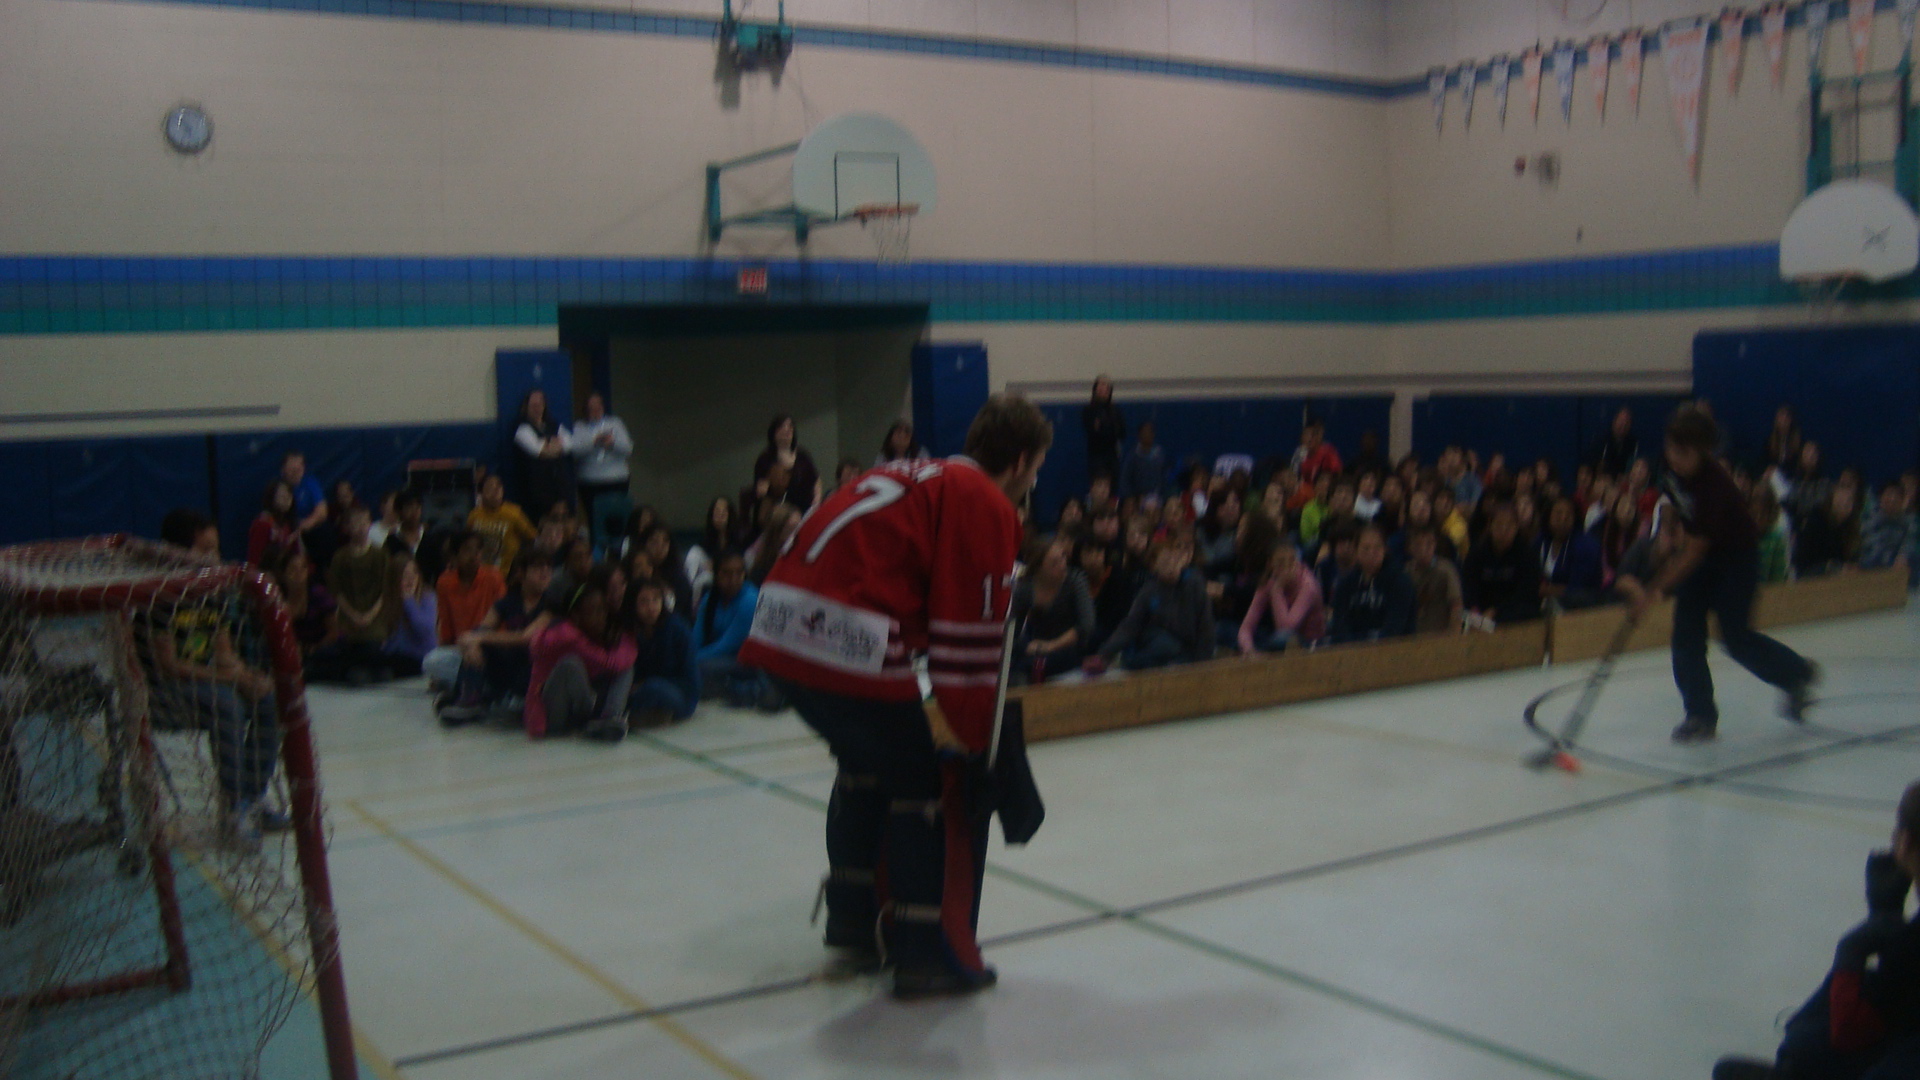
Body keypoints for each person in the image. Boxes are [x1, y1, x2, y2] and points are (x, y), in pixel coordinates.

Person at [739, 393, 1051, 999]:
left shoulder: (907, 472)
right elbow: (965, 652)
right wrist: (983, 753)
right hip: (845, 635)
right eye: (1035, 469)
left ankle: (854, 920)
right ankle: (923, 952)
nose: (1032, 483)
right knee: (920, 786)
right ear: (1017, 462)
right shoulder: (984, 499)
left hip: (776, 622)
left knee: (866, 764)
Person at [1631, 406, 1819, 744]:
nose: (1673, 457)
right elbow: (1673, 501)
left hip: (1736, 559)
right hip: (1703, 556)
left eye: (1683, 452)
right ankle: (1700, 714)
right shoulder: (1670, 467)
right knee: (1686, 634)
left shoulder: (1714, 488)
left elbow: (1695, 552)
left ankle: (1797, 673)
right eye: (1670, 448)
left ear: (1702, 451)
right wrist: (1668, 531)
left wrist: (1654, 589)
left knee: (1735, 638)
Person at [1711, 780, 1920, 1080]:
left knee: (1805, 1042)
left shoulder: (1912, 943)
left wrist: (1851, 952)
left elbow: (1849, 1032)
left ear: (1905, 843)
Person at [148, 510, 287, 840]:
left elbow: (224, 655)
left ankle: (252, 796)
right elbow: (168, 665)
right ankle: (233, 807)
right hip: (161, 691)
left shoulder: (215, 591)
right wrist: (229, 680)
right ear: (177, 552)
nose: (214, 558)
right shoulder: (159, 594)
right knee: (228, 705)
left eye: (216, 549)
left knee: (268, 699)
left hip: (205, 680)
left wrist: (247, 676)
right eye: (205, 550)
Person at [438, 550, 555, 725]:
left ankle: (476, 694)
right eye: (538, 567)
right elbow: (479, 630)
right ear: (521, 573)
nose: (545, 572)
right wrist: (472, 643)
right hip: (510, 665)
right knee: (472, 645)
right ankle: (470, 698)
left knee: (478, 641)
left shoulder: (552, 604)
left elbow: (526, 637)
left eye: (548, 567)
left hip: (536, 668)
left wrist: (478, 639)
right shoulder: (508, 601)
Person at [525, 567, 636, 741]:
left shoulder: (582, 632)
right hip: (550, 717)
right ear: (576, 616)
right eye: (594, 611)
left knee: (626, 668)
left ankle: (610, 718)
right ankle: (602, 719)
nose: (601, 617)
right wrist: (629, 643)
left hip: (573, 706)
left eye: (602, 610)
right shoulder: (568, 636)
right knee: (571, 664)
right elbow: (610, 663)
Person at [1090, 540, 1215, 671]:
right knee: (1167, 644)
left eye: (1176, 560)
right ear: (1154, 566)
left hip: (1187, 649)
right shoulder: (1149, 591)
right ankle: (1130, 663)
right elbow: (1131, 625)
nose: (1172, 566)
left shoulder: (1195, 584)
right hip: (1158, 644)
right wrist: (1105, 652)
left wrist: (1203, 662)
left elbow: (1206, 624)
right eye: (1166, 562)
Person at [320, 504, 398, 684]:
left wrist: (370, 615)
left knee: (372, 650)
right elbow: (337, 591)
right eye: (355, 523)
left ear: (370, 524)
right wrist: (353, 615)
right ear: (346, 528)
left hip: (375, 618)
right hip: (349, 619)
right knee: (351, 658)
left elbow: (385, 589)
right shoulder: (340, 557)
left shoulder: (380, 554)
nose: (360, 527)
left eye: (364, 523)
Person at [424, 531, 507, 692]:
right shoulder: (444, 582)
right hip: (461, 648)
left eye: (478, 550)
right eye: (467, 550)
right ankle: (478, 681)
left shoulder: (494, 577)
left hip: (492, 646)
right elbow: (446, 626)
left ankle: (469, 682)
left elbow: (503, 623)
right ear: (454, 557)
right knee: (430, 662)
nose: (474, 555)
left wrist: (480, 643)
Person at [692, 551, 773, 710]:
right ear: (716, 574)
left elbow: (727, 645)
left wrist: (689, 661)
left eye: (739, 573)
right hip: (724, 659)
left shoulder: (750, 600)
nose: (733, 579)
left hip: (749, 662)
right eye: (727, 573)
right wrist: (686, 656)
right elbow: (696, 636)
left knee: (700, 669)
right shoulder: (710, 598)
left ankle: (742, 690)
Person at [1011, 536, 1095, 684]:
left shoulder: (1074, 580)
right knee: (1012, 663)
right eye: (1054, 563)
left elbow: (1086, 625)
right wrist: (1026, 646)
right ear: (1039, 568)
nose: (1063, 565)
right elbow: (1013, 630)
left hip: (1069, 648)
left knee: (1032, 666)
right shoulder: (1025, 588)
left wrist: (1051, 646)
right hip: (1037, 647)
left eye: (1063, 558)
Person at [625, 578, 699, 727]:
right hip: (642, 688)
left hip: (679, 694)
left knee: (653, 687)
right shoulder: (632, 631)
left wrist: (644, 684)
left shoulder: (677, 629)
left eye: (656, 600)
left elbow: (690, 681)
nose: (651, 607)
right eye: (644, 602)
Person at [1328, 526, 1416, 644]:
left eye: (1377, 548)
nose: (1371, 554)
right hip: (1352, 651)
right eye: (1365, 548)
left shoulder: (1400, 581)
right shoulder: (1345, 584)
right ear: (1356, 550)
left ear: (1385, 549)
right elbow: (1339, 625)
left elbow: (1396, 628)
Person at [1461, 504, 1543, 626]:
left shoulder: (1527, 554)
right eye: (1499, 524)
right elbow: (1469, 585)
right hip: (1481, 612)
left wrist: (1496, 610)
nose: (1504, 530)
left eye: (1509, 525)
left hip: (1514, 612)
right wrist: (1474, 608)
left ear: (1516, 527)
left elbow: (1527, 592)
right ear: (1490, 526)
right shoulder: (1477, 553)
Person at [1238, 543, 1324, 654]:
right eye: (1281, 563)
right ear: (1270, 565)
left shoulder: (1308, 586)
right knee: (1225, 630)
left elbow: (1286, 627)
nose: (1287, 567)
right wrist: (1249, 650)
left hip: (1311, 642)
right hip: (1279, 637)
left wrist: (1277, 590)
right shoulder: (1268, 584)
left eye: (1292, 561)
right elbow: (1246, 627)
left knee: (1281, 639)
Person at [570, 392, 633, 527]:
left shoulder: (615, 423)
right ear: (585, 410)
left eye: (598, 407)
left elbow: (628, 449)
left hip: (616, 479)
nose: (595, 411)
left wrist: (612, 443)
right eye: (591, 408)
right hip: (590, 482)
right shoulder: (579, 427)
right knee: (595, 521)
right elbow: (574, 451)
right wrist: (594, 442)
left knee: (617, 520)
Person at [513, 389, 573, 521]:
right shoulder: (521, 428)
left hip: (559, 486)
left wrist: (548, 447)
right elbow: (537, 451)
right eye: (533, 405)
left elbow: (569, 444)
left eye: (540, 404)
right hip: (536, 490)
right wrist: (553, 446)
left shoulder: (554, 425)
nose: (537, 408)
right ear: (526, 407)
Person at [1538, 497, 1606, 610]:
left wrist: (1547, 590)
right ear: (1548, 516)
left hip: (1583, 606)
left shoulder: (1586, 546)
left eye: (1568, 515)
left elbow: (1578, 590)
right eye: (1558, 514)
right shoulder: (1542, 540)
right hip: (1550, 603)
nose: (1564, 518)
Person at [755, 414, 822, 512]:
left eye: (790, 426)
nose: (787, 429)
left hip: (806, 507)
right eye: (782, 426)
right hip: (780, 511)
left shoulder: (802, 455)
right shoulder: (765, 459)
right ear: (774, 433)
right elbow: (760, 491)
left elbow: (815, 480)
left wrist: (817, 499)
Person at [382, 556, 436, 676]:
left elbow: (425, 630)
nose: (411, 579)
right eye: (405, 575)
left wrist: (409, 602)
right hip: (396, 656)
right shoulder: (389, 599)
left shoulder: (428, 598)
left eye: (414, 573)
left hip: (421, 657)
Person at [1796, 485, 1864, 578]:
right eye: (1840, 501)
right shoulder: (1816, 522)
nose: (1844, 504)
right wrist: (1835, 568)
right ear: (1831, 501)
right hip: (1811, 572)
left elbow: (1852, 557)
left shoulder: (1852, 526)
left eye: (1848, 501)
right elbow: (1806, 560)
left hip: (1840, 571)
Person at [686, 497, 736, 607]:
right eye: (717, 511)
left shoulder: (737, 540)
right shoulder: (703, 543)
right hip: (707, 577)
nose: (720, 515)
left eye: (724, 511)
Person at [280, 451, 330, 553]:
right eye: (291, 470)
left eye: (298, 470)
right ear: (283, 470)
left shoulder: (310, 483)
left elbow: (322, 511)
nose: (295, 473)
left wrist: (303, 526)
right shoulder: (279, 488)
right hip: (286, 531)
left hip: (309, 530)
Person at [247, 480, 304, 567]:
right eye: (282, 496)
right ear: (272, 498)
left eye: (289, 495)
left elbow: (298, 555)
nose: (287, 499)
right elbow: (254, 560)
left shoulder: (290, 523)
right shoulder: (263, 524)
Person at [1860, 482, 1914, 572]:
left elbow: (1910, 544)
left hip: (1895, 574)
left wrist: (1903, 557)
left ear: (1903, 501)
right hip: (1865, 572)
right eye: (1889, 495)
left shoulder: (1909, 523)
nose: (1892, 499)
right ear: (1880, 498)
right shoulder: (1868, 521)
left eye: (1897, 497)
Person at [1083, 375, 1126, 484]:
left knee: (1114, 485)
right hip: (1097, 457)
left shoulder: (1115, 411)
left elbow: (1121, 432)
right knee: (1099, 484)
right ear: (1095, 389)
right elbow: (1094, 431)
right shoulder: (1089, 410)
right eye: (1101, 386)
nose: (1104, 389)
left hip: (1112, 456)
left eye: (1107, 387)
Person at [1751, 485, 1792, 585]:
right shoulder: (1741, 536)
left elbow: (1778, 581)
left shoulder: (1776, 538)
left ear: (1771, 514)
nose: (1758, 520)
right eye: (1755, 515)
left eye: (1763, 515)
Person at [1120, 420, 1167, 502]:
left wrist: (1161, 495)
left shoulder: (1160, 454)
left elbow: (1164, 477)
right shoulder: (1132, 455)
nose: (1147, 435)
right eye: (1144, 432)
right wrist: (1131, 497)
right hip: (1137, 498)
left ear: (1153, 434)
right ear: (1139, 435)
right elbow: (1125, 479)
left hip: (1156, 497)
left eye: (1150, 432)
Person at [1290, 419, 1342, 485]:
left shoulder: (1328, 452)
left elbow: (1336, 475)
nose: (1309, 438)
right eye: (1306, 434)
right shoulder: (1299, 452)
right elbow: (1293, 475)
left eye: (1313, 435)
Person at [1591, 407, 1638, 478]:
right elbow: (1596, 466)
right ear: (1614, 421)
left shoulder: (1633, 442)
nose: (1624, 425)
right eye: (1621, 421)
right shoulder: (1601, 440)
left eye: (1627, 422)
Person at [1762, 404, 1804, 476]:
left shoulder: (1799, 442)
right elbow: (1764, 462)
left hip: (1793, 478)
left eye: (1787, 418)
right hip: (1774, 478)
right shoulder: (1769, 441)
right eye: (1781, 417)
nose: (1784, 420)